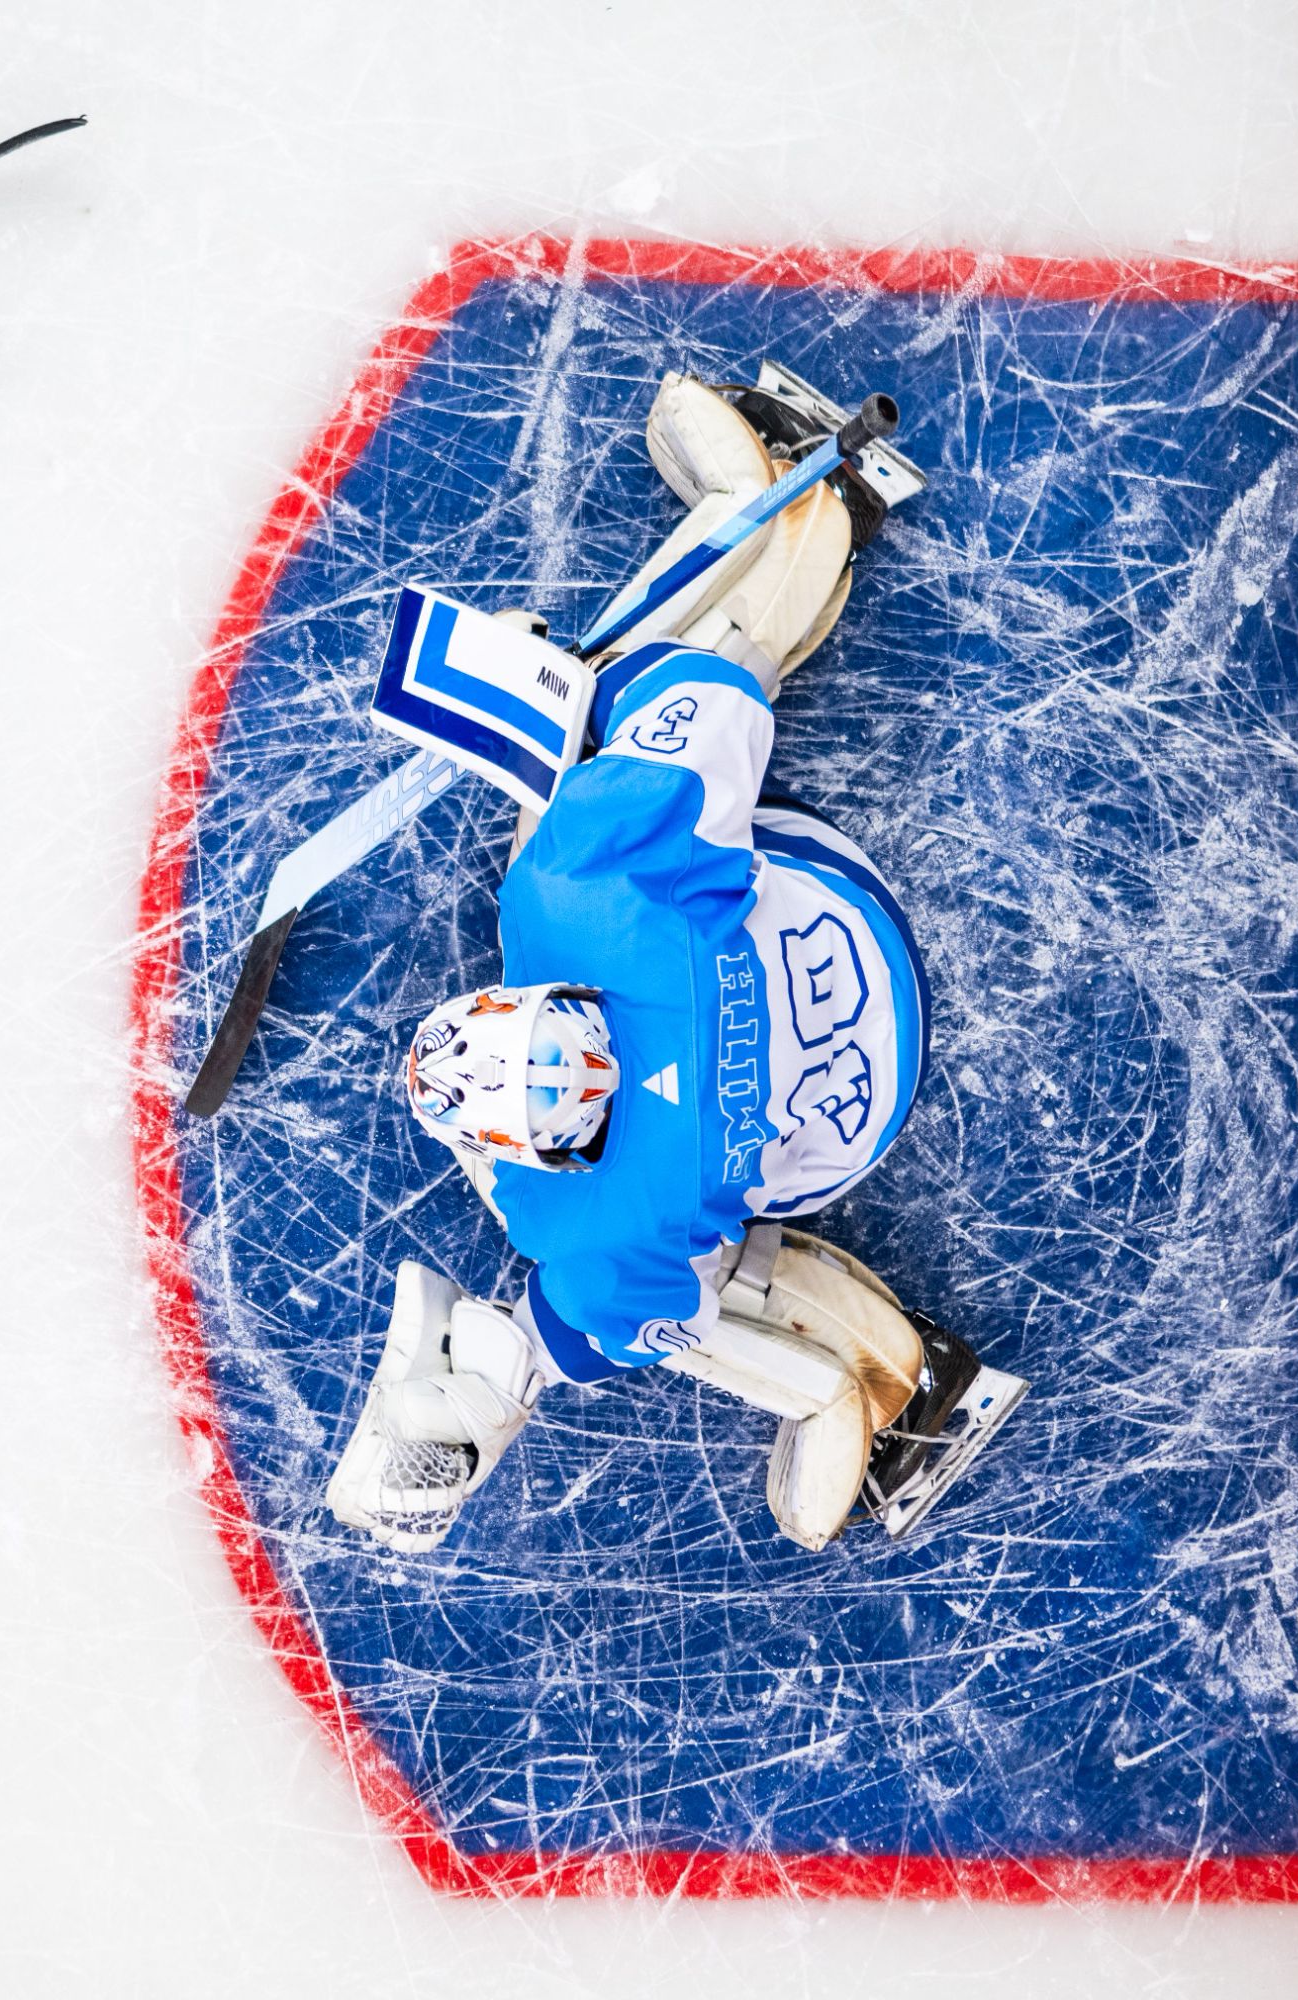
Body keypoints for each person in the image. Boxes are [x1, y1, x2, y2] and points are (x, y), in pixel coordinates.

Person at [326, 372, 1017, 1554]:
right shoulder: (580, 894)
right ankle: (791, 500)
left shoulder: (601, 1236)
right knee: (676, 687)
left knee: (696, 1284)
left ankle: (889, 1390)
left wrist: (483, 1395)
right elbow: (722, 685)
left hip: (854, 1121)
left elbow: (577, 1334)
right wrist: (566, 713)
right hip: (845, 923)